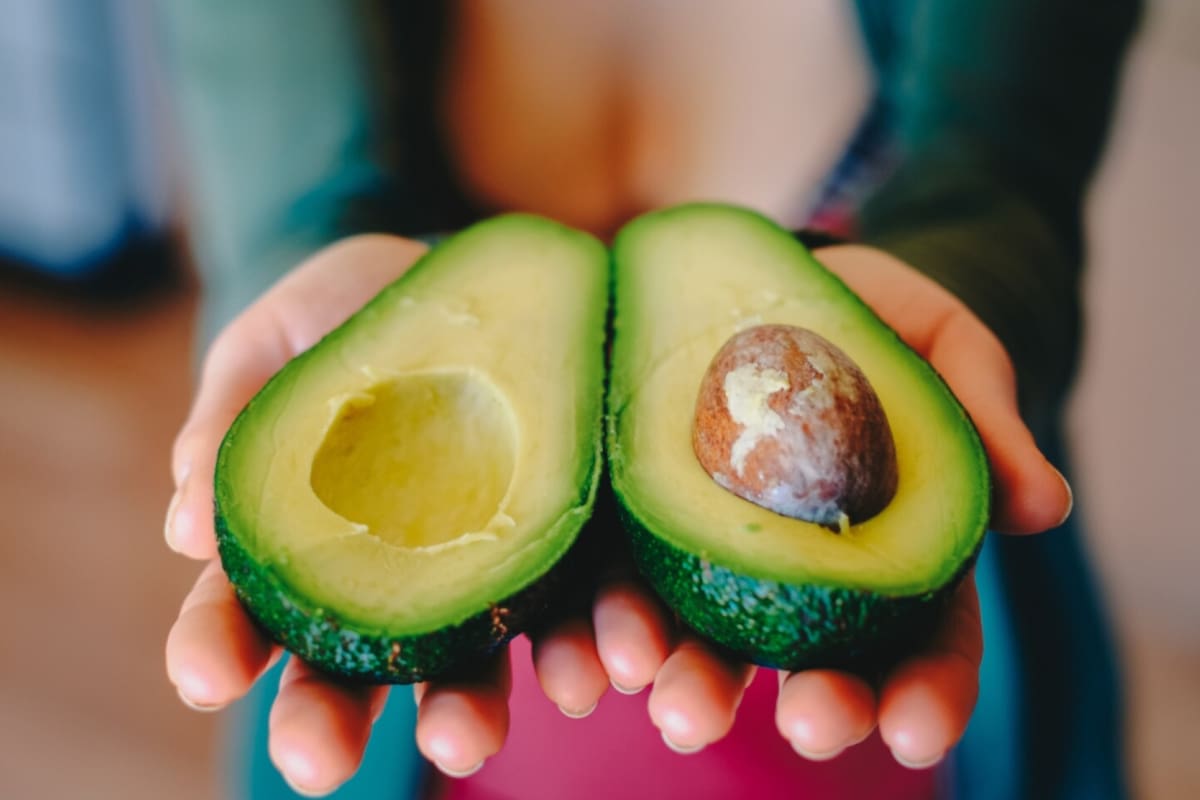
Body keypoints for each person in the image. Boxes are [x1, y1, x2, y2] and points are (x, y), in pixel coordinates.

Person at [156, 1, 1138, 797]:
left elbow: (1008, 188)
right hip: (438, 721)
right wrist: (296, 283)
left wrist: (973, 295)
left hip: (889, 707)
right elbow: (280, 177)